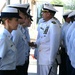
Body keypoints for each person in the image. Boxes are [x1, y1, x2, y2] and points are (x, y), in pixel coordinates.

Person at [35, 3, 60, 75]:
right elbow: (42, 39)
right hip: (42, 58)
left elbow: (54, 44)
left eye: (43, 12)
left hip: (47, 60)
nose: (42, 13)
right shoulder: (46, 24)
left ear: (48, 14)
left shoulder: (53, 25)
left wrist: (51, 60)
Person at [0, 6, 21, 75]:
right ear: (8, 21)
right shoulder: (3, 39)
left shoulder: (9, 37)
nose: (18, 23)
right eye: (16, 20)